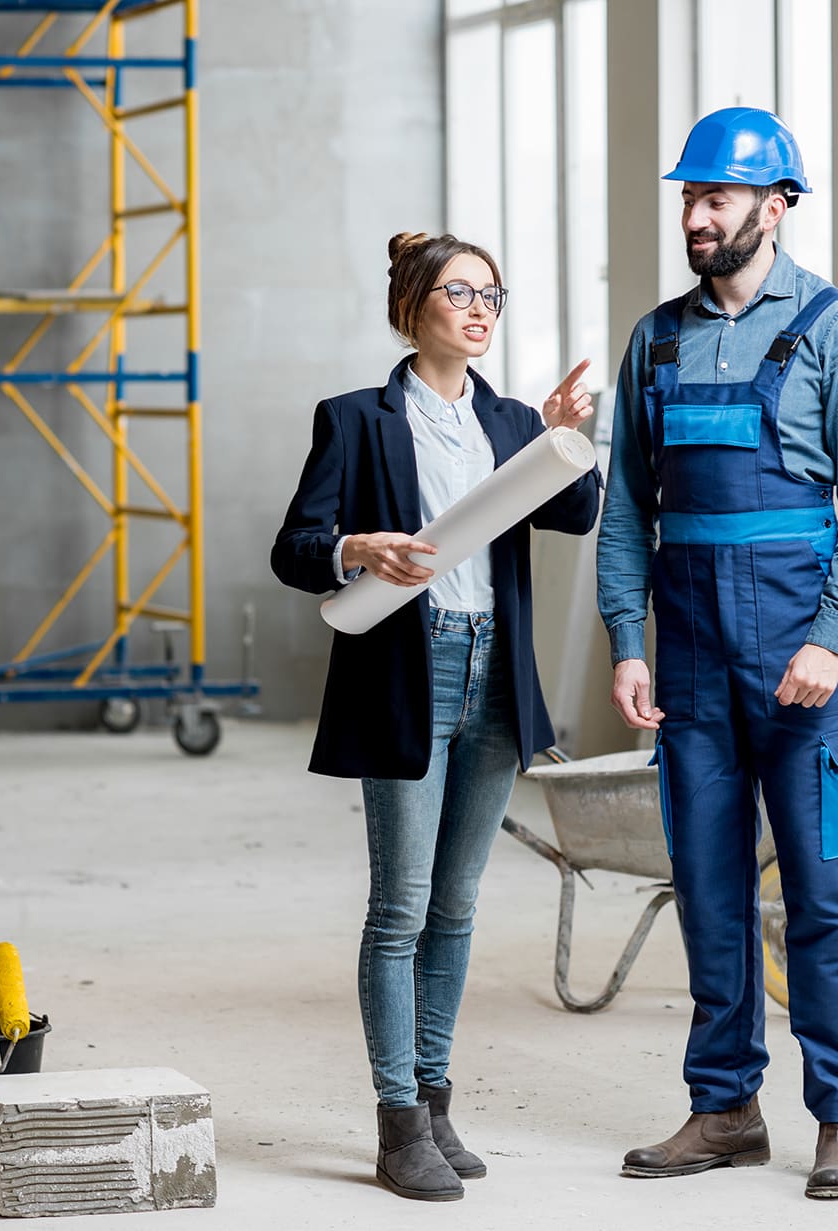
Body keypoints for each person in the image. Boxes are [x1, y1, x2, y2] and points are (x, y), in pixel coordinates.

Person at [596, 107, 838, 1200]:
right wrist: (627, 642)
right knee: (709, 889)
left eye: (717, 197)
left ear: (776, 208)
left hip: (801, 663)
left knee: (822, 892)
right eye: (689, 197)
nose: (697, 215)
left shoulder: (831, 328)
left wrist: (831, 638)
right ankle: (723, 1107)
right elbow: (629, 510)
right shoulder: (657, 340)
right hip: (688, 662)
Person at [272, 232, 601, 1203]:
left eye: (492, 294)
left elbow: (575, 516)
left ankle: (437, 1097)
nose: (480, 307)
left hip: (497, 673)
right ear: (413, 301)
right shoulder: (356, 420)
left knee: (456, 909)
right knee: (400, 909)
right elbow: (294, 548)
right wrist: (354, 546)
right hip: (409, 674)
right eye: (460, 291)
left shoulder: (506, 419)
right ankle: (396, 1121)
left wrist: (560, 438)